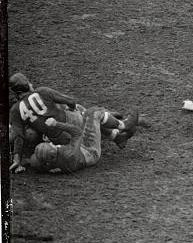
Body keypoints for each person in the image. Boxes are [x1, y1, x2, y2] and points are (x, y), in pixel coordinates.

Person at [8, 73, 138, 172]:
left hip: (58, 139)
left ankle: (115, 134)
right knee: (88, 113)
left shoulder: (15, 110)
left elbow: (18, 135)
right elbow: (70, 101)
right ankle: (121, 125)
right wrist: (72, 109)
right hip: (70, 127)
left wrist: (17, 159)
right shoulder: (42, 92)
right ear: (27, 85)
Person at [28, 106, 138, 174]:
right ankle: (124, 125)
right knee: (92, 113)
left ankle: (117, 136)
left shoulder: (42, 162)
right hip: (90, 150)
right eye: (52, 145)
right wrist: (56, 124)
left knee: (90, 121)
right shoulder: (68, 154)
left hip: (80, 153)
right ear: (54, 152)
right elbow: (77, 132)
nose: (52, 143)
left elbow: (34, 160)